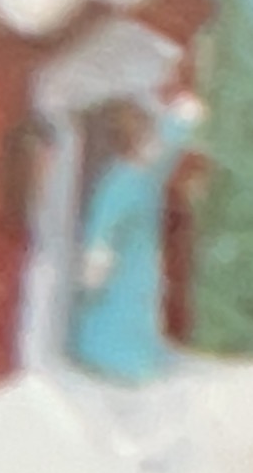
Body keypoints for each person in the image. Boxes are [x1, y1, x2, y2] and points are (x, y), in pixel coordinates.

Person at [69, 94, 202, 385]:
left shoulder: (145, 175)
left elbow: (166, 148)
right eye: (143, 137)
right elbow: (102, 232)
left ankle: (134, 359)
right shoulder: (119, 183)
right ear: (129, 142)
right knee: (119, 314)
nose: (150, 144)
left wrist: (182, 119)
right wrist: (95, 271)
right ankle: (111, 359)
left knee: (138, 312)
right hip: (120, 276)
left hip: (139, 269)